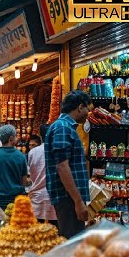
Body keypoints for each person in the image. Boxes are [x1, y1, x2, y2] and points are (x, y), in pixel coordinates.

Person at [45, 90, 92, 238]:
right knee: (72, 242)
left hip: (70, 198)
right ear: (80, 107)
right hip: (68, 199)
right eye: (87, 109)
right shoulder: (62, 128)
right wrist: (78, 202)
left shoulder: (65, 127)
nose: (88, 114)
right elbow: (62, 166)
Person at [0, 124, 29, 211]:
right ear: (11, 139)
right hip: (15, 199)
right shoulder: (20, 156)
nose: (17, 138)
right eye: (16, 136)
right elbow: (24, 181)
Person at [27, 124, 57, 226]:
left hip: (37, 199)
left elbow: (31, 173)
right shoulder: (58, 150)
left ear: (40, 137)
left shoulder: (32, 152)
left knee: (38, 237)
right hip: (54, 199)